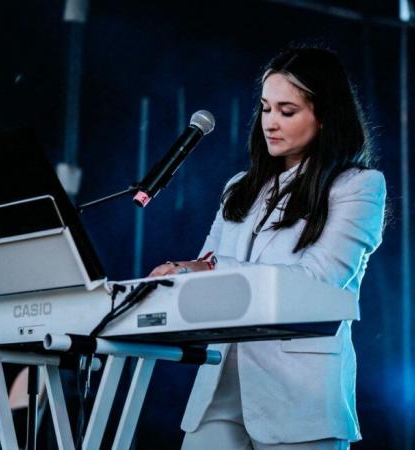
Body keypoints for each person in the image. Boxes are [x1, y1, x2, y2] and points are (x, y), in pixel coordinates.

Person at [149, 46, 386, 450]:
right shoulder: (238, 187)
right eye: (265, 108)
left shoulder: (358, 186)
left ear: (325, 115)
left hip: (299, 393)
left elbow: (320, 281)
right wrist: (181, 272)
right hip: (219, 383)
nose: (270, 123)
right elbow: (208, 263)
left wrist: (209, 268)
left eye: (286, 111)